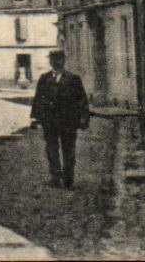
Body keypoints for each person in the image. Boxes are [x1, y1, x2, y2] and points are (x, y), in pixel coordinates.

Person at [30, 49, 91, 188]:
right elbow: (38, 99)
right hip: (49, 121)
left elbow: (81, 99)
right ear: (50, 61)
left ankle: (68, 178)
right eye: (53, 59)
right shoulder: (44, 78)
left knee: (68, 149)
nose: (55, 62)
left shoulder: (73, 79)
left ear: (64, 61)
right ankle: (55, 177)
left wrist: (84, 118)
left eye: (59, 59)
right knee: (51, 148)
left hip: (68, 121)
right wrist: (35, 118)